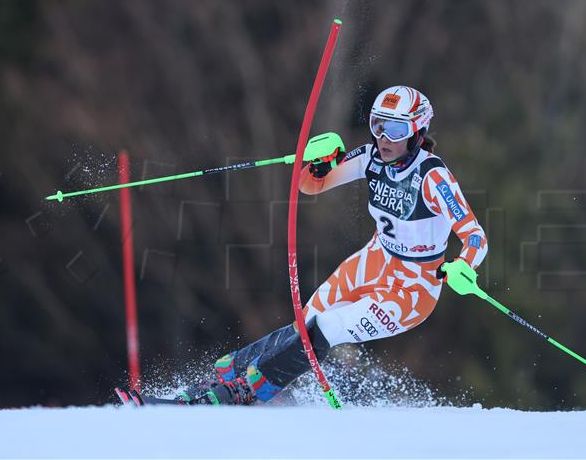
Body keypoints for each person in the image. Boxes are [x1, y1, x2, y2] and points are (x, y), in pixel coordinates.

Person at [125, 86, 488, 406]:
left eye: (394, 129)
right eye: (378, 125)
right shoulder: (372, 157)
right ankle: (232, 372)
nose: (383, 137)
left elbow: (475, 236)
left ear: (417, 131)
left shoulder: (433, 176)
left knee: (326, 327)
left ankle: (250, 390)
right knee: (307, 321)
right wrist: (316, 168)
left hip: (414, 286)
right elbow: (309, 187)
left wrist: (464, 265)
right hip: (375, 260)